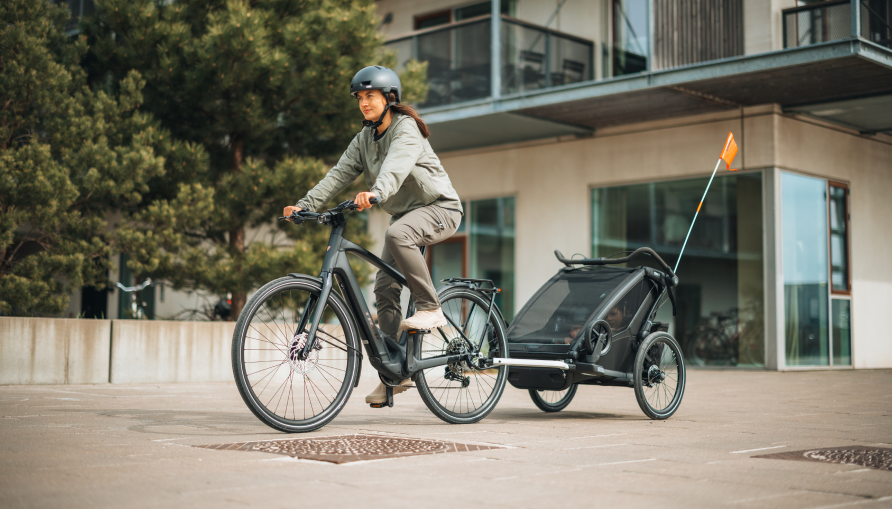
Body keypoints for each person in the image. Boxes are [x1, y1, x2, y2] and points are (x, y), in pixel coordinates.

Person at [283, 66, 463, 405]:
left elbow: (397, 164)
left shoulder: (405, 128)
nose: (364, 103)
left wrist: (377, 192)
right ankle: (396, 372)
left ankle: (430, 306)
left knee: (397, 233)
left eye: (371, 96)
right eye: (360, 98)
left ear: (389, 98)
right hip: (407, 216)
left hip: (441, 209)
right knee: (384, 287)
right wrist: (304, 204)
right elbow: (338, 174)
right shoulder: (364, 139)